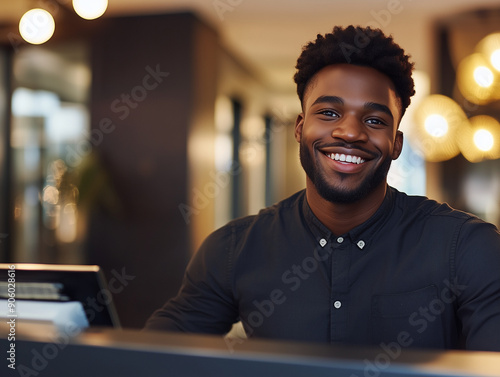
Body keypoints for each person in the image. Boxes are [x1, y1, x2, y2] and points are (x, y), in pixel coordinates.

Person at [145, 25, 500, 351]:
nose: (349, 132)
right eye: (329, 113)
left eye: (375, 120)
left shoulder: (468, 247)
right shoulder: (234, 250)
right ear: (299, 128)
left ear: (396, 144)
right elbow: (148, 356)